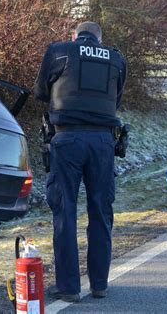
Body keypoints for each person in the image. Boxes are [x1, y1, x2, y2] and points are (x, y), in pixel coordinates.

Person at [34, 21, 127, 302]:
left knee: (65, 212)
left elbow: (40, 92)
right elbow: (116, 100)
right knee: (101, 212)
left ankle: (69, 288)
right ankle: (99, 284)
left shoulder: (60, 51)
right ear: (99, 38)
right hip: (103, 143)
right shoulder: (116, 59)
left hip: (67, 140)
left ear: (74, 36)